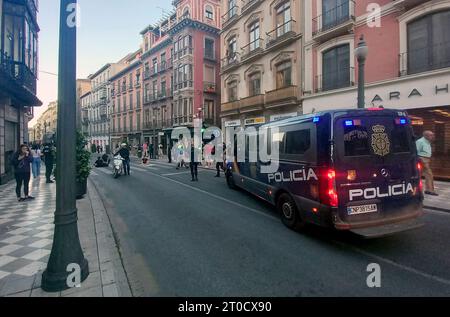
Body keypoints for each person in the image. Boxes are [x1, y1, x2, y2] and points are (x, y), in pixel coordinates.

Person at [416, 131, 438, 196]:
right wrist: (420, 160)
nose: (432, 136)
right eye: (431, 135)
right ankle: (430, 190)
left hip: (426, 159)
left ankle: (425, 189)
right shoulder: (420, 142)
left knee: (419, 174)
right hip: (422, 159)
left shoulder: (428, 142)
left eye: (432, 135)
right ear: (426, 135)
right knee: (429, 174)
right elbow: (416, 151)